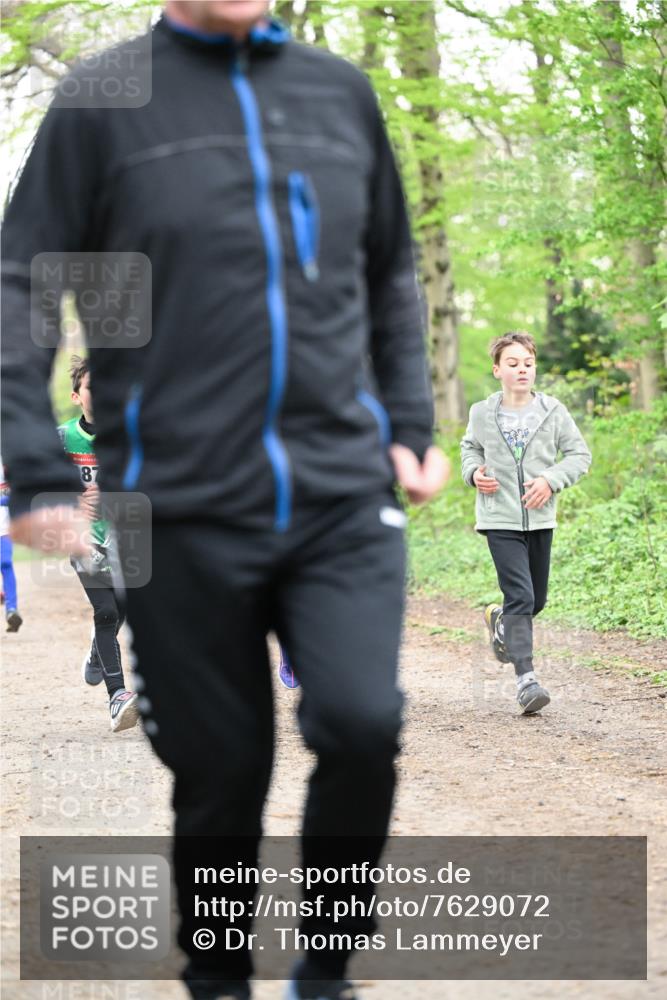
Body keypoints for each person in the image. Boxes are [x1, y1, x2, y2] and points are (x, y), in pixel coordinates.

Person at [1, 2, 449, 998]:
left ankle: (324, 969)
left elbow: (387, 273)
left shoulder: (339, 94)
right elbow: (21, 278)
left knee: (361, 718)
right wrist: (32, 461)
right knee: (222, 766)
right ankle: (218, 974)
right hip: (178, 502)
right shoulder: (103, 101)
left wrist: (409, 426)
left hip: (340, 492)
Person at [461, 331, 592, 714]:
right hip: (498, 515)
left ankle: (501, 618)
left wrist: (551, 480)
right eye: (514, 364)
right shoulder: (482, 413)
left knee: (535, 600)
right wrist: (474, 473)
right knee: (521, 594)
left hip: (539, 518)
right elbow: (469, 449)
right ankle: (526, 680)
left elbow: (579, 455)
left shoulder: (553, 411)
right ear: (497, 370)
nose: (522, 370)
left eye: (529, 364)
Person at [58, 356, 139, 732]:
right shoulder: (62, 438)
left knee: (122, 607)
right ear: (77, 396)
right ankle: (117, 696)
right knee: (106, 612)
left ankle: (97, 653)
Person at [1, 463, 22, 632]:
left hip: (4, 525)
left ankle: (12, 610)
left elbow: (18, 494)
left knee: (6, 563)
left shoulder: (8, 461)